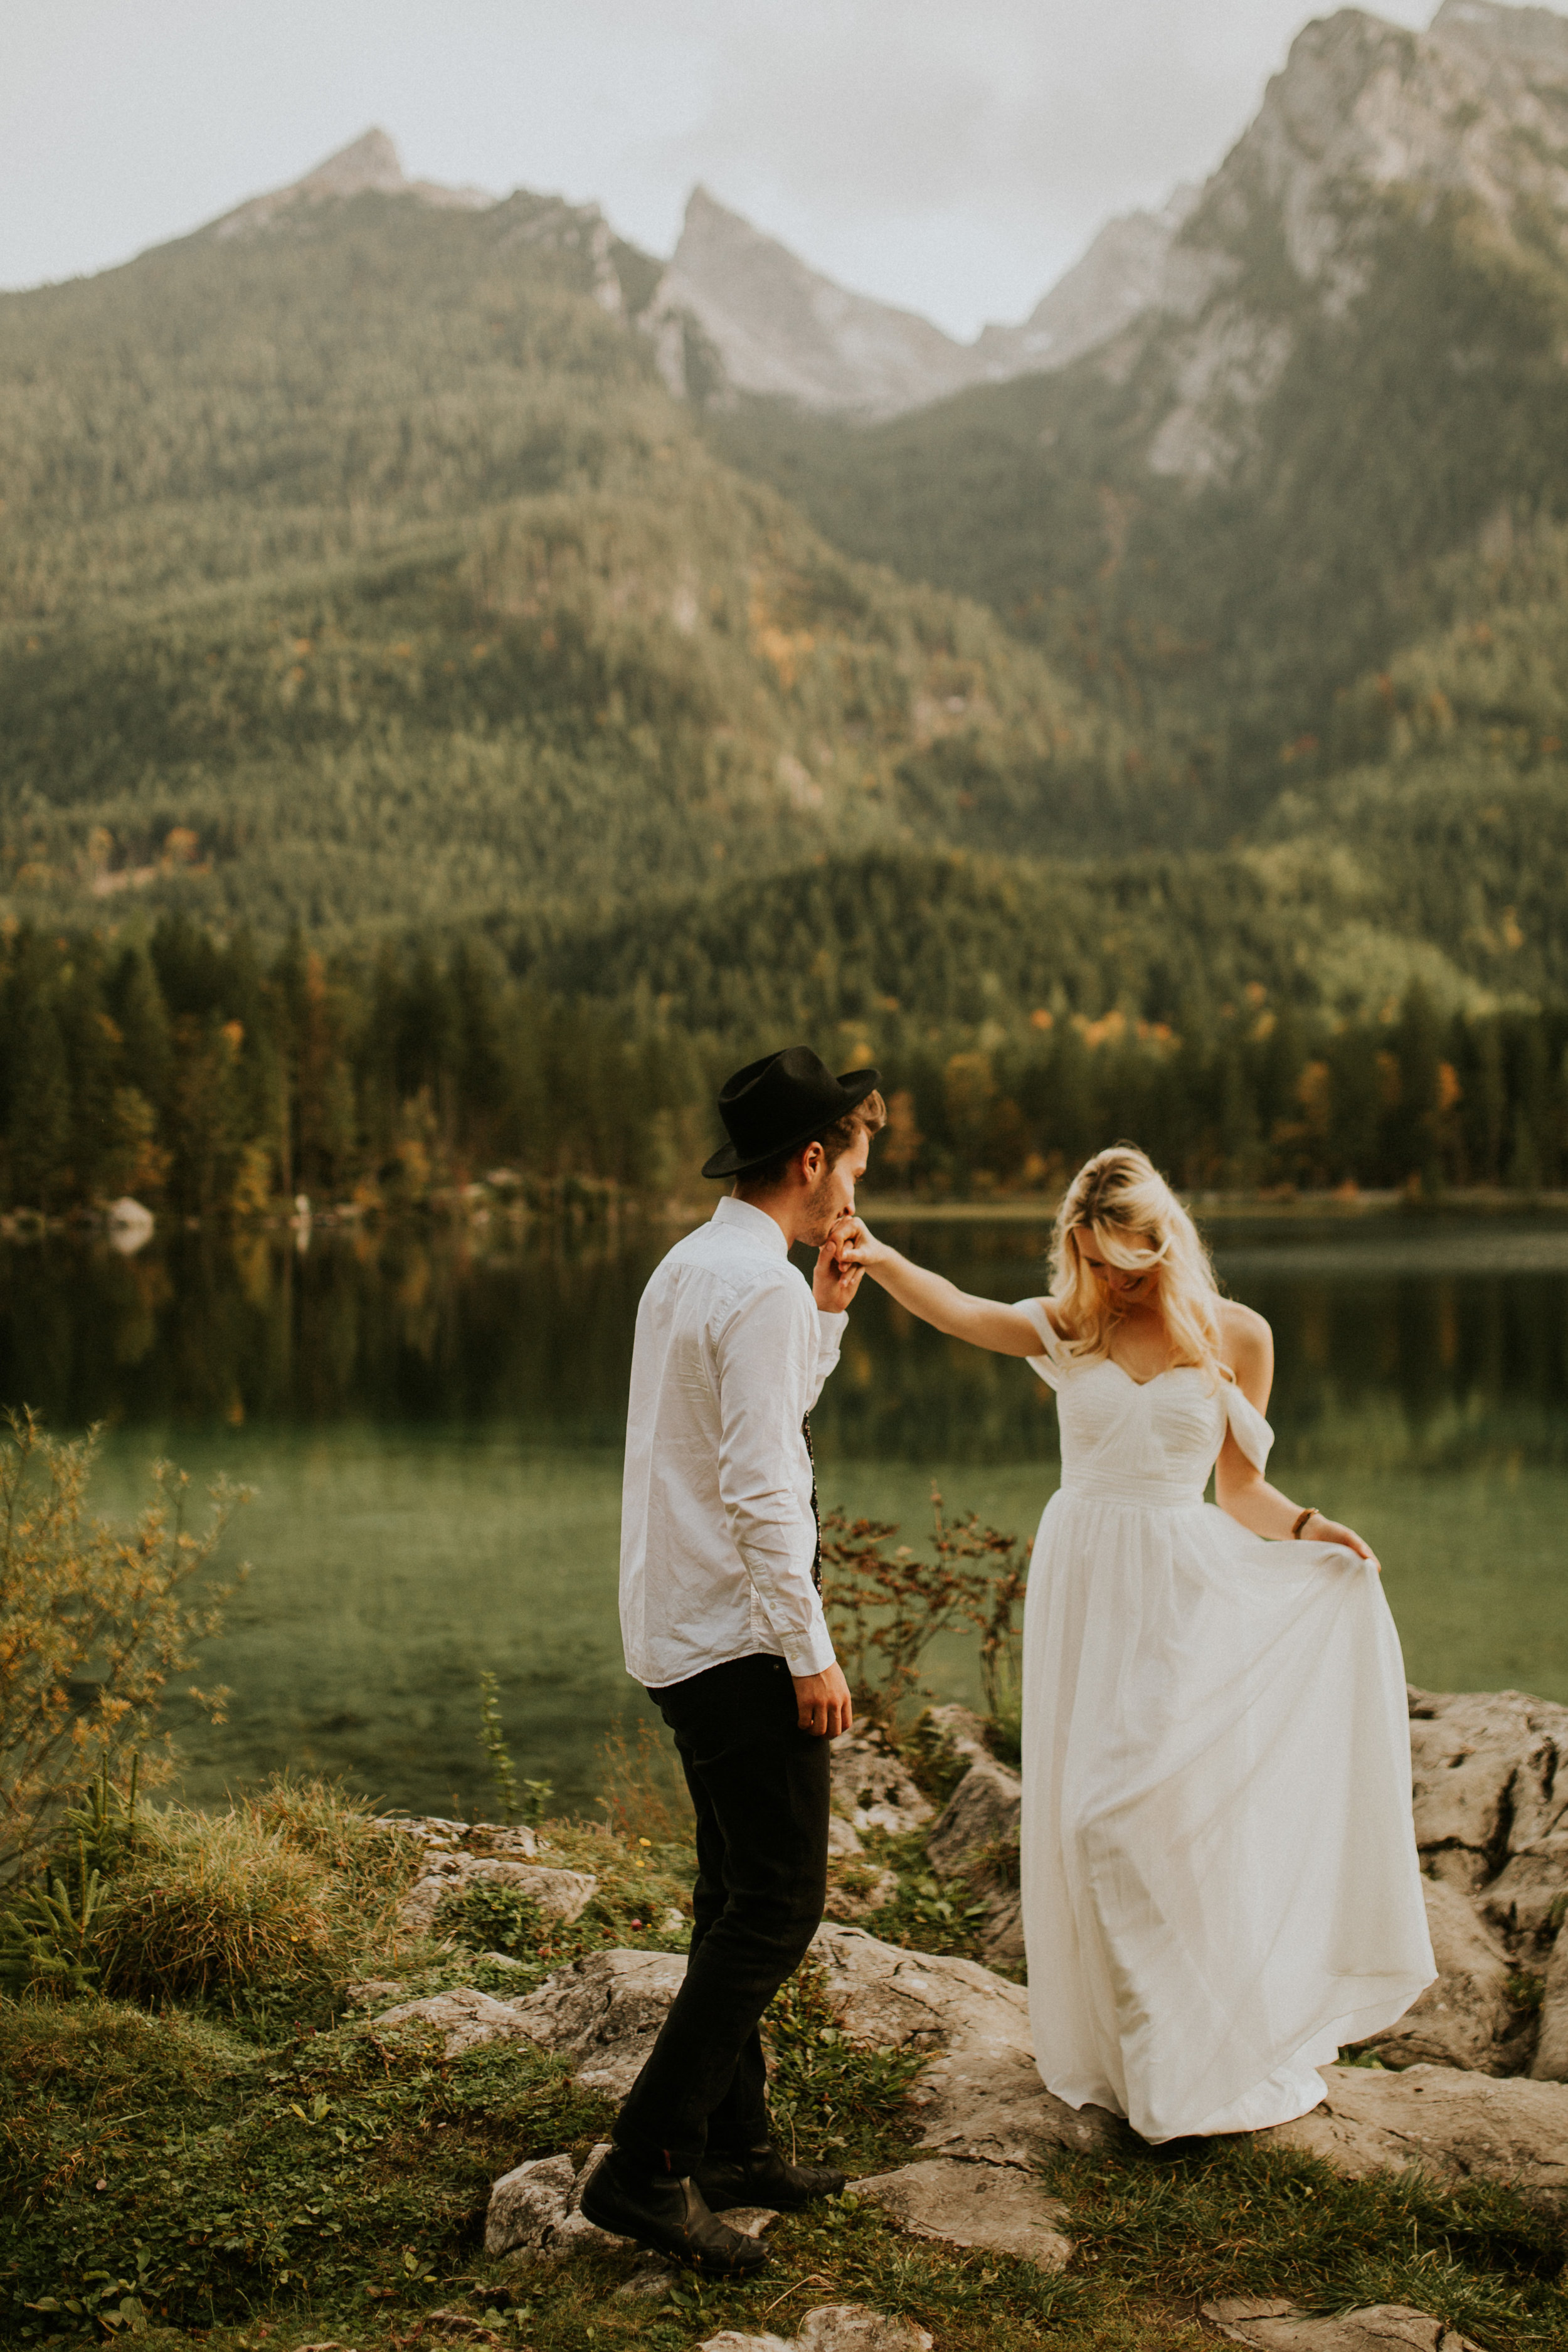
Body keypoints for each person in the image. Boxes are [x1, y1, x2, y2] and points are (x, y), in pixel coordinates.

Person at [839, 1143, 1435, 2146]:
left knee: (1146, 1815)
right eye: (1105, 1255)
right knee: (1088, 1818)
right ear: (1077, 1244)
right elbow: (955, 1307)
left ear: (1169, 1238)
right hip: (1085, 1578)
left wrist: (1311, 1528)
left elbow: (1240, 1489)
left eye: (1140, 1253)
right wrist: (881, 1256)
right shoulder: (1068, 1328)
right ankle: (1137, 2061)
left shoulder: (1237, 1336)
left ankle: (1192, 2063)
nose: (1125, 1274)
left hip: (1182, 1584)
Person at [582, 1046, 886, 2268]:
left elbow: (755, 1420)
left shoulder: (697, 1264)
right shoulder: (746, 1287)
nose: (863, 1178)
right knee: (778, 1902)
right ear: (814, 1161)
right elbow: (764, 1488)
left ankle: (735, 2140)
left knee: (728, 1890)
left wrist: (827, 1306)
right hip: (737, 1639)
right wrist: (808, 1655)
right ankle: (648, 2163)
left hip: (672, 1628)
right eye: (857, 1156)